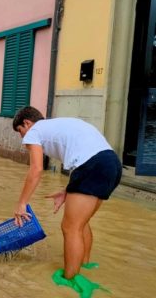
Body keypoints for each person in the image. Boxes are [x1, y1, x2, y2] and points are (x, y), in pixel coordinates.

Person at [12, 106, 121, 294]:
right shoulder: (57, 126)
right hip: (111, 164)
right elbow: (85, 155)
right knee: (81, 223)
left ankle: (70, 279)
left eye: (20, 131)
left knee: (70, 228)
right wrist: (67, 190)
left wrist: (22, 203)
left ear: (27, 123)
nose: (23, 138)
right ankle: (84, 265)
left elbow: (36, 170)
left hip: (92, 167)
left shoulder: (35, 131)